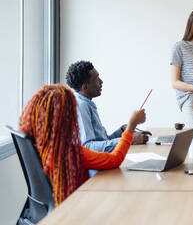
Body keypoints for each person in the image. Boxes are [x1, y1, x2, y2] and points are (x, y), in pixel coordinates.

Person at [18, 84, 146, 205]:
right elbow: (115, 159)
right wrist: (131, 126)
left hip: (55, 210)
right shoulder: (70, 152)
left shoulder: (39, 146)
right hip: (76, 207)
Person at [66, 61, 151, 152]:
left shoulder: (86, 104)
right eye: (96, 78)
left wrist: (121, 131)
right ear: (85, 87)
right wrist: (130, 139)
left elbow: (104, 141)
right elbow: (88, 147)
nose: (101, 81)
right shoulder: (81, 106)